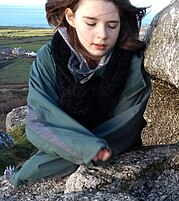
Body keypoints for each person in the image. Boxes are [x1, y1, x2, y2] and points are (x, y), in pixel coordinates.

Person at [4, 0, 151, 187]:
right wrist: (86, 148)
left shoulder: (133, 63)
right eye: (91, 23)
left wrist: (92, 149)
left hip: (115, 149)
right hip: (72, 147)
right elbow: (39, 120)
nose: (102, 35)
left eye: (112, 25)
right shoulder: (49, 58)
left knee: (31, 172)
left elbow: (125, 126)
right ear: (70, 17)